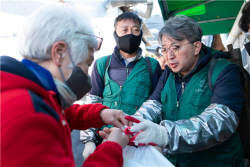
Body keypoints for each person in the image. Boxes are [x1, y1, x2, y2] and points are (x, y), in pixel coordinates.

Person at [1, 4, 130, 167]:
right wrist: (112, 148)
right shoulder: (28, 115)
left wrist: (102, 114)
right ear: (59, 53)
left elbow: (64, 113)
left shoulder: (32, 94)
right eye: (87, 63)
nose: (87, 76)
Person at [124, 15, 245, 167]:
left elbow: (220, 121)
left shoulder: (225, 71)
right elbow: (153, 106)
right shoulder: (168, 74)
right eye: (164, 49)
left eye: (175, 47)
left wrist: (164, 134)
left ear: (196, 47)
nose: (169, 55)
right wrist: (130, 126)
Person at [80, 11, 162, 158]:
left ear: (141, 34)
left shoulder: (152, 66)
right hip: (105, 139)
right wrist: (89, 141)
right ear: (115, 34)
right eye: (124, 30)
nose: (130, 34)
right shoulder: (102, 64)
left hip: (139, 143)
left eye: (135, 30)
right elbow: (93, 102)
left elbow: (157, 104)